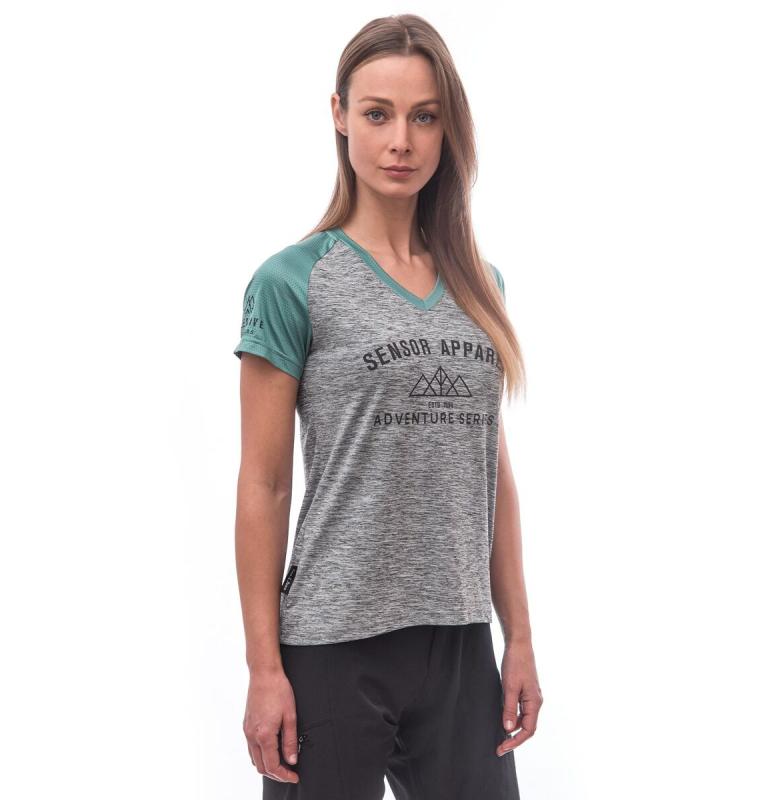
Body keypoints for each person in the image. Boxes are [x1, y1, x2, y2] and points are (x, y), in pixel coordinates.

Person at [233, 13, 541, 799]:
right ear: (340, 115)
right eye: (378, 114)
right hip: (332, 649)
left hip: (461, 644)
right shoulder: (292, 282)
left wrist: (519, 638)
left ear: (447, 129)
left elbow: (494, 476)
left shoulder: (481, 286)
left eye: (424, 117)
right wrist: (264, 669)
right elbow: (264, 485)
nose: (401, 141)